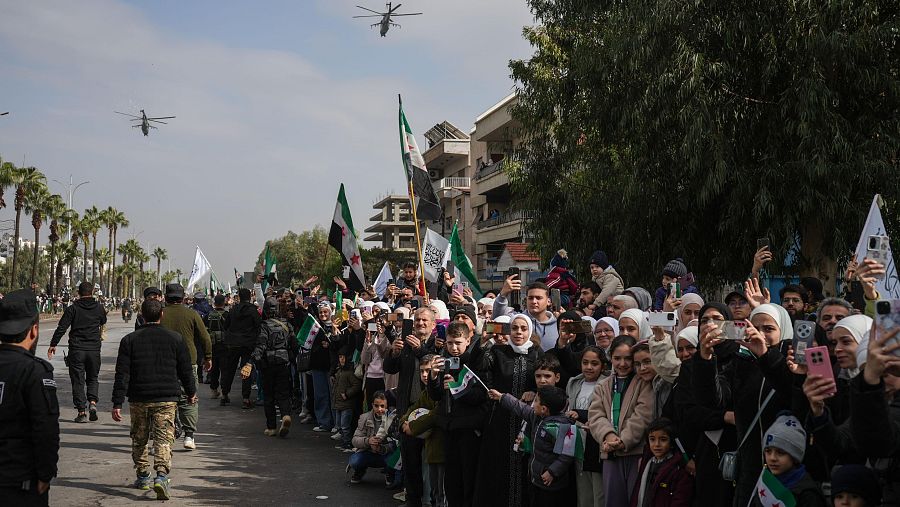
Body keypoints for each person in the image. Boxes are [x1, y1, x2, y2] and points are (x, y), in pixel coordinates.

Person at [111, 299, 196, 501]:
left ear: (141, 315)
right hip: (166, 398)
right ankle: (161, 476)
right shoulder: (175, 339)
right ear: (162, 315)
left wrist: (117, 402)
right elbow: (186, 370)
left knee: (139, 437)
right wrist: (191, 392)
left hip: (139, 398)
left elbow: (122, 374)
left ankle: (142, 476)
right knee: (163, 438)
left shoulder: (129, 340)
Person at [471, 313, 544, 507]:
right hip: (500, 420)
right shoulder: (498, 351)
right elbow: (479, 368)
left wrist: (534, 391)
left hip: (527, 420)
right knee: (498, 466)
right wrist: (483, 342)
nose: (519, 332)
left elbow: (547, 378)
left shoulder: (537, 354)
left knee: (524, 467)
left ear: (529, 331)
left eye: (523, 328)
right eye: (515, 328)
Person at [0, 289, 59, 506]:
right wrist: (46, 473)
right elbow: (45, 429)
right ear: (33, 331)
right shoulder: (35, 372)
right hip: (20, 483)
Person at [588, 335, 653, 506]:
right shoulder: (603, 386)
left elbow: (643, 415)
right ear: (610, 358)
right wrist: (608, 436)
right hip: (610, 452)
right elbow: (596, 415)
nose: (622, 364)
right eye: (617, 358)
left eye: (628, 359)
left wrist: (623, 441)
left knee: (636, 499)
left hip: (636, 452)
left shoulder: (643, 382)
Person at [429, 322, 486, 507]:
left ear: (468, 341)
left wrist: (457, 387)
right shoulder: (443, 361)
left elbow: (480, 396)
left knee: (468, 478)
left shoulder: (475, 362)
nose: (454, 347)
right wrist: (433, 378)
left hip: (469, 429)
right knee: (451, 479)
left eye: (458, 343)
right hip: (448, 427)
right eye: (450, 343)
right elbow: (435, 396)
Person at [487, 385, 574, 507]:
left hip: (551, 484)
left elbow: (566, 455)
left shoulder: (562, 427)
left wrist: (552, 472)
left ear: (544, 409)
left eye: (536, 401)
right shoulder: (537, 417)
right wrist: (502, 397)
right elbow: (520, 408)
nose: (533, 404)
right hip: (536, 480)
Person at [384, 306, 434, 507]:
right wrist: (394, 352)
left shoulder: (437, 343)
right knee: (410, 458)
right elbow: (389, 368)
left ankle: (432, 500)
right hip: (408, 408)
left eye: (424, 320)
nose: (420, 323)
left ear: (433, 323)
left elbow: (434, 360)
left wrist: (419, 350)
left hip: (430, 409)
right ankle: (413, 500)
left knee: (430, 460)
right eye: (417, 320)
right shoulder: (405, 342)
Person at [159, 283, 212, 450]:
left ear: (166, 297)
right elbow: (205, 338)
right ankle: (189, 435)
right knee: (189, 397)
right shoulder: (192, 314)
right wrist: (208, 357)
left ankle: (165, 436)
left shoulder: (160, 314)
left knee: (164, 399)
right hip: (189, 362)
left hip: (163, 362)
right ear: (183, 298)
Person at [48, 281, 107, 423]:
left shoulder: (72, 309)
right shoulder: (99, 308)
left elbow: (62, 328)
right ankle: (92, 403)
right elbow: (103, 320)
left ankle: (81, 412)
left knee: (78, 381)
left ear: (78, 293)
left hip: (77, 350)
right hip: (93, 349)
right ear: (92, 292)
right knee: (93, 378)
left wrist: (53, 344)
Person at [244, 297, 297, 438]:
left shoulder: (264, 326)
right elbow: (294, 344)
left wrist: (250, 362)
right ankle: (286, 415)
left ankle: (271, 427)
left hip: (267, 365)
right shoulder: (287, 324)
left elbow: (260, 346)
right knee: (284, 394)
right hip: (283, 363)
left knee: (269, 396)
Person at [751, 414, 826, 506]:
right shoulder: (765, 484)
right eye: (768, 451)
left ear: (794, 457)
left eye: (780, 452)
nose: (772, 458)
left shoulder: (807, 494)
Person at [565, 346, 608, 507]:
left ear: (602, 366)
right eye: (585, 363)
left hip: (596, 446)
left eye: (594, 363)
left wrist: (581, 415)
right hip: (577, 444)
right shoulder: (574, 382)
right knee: (583, 494)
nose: (589, 367)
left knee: (599, 493)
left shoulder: (607, 383)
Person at [630, 417, 693, 507]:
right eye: (652, 439)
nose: (657, 444)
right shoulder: (646, 465)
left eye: (663, 439)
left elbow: (681, 501)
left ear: (671, 442)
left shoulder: (679, 470)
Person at [220, 288, 262, 408]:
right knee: (246, 370)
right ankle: (246, 398)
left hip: (233, 343)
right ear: (249, 297)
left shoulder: (233, 310)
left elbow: (226, 325)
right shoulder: (253, 311)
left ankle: (224, 394)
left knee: (230, 370)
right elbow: (258, 325)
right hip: (248, 344)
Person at [494, 277, 559, 351]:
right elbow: (496, 321)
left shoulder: (558, 324)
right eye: (530, 298)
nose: (534, 301)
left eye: (538, 298)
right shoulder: (515, 320)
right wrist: (502, 295)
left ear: (548, 301)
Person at [348, 391, 390, 483]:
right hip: (368, 453)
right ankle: (359, 470)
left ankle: (390, 473)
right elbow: (354, 440)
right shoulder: (364, 418)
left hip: (385, 454)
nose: (379, 409)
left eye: (382, 406)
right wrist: (368, 441)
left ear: (387, 405)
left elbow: (396, 443)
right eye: (376, 406)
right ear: (372, 405)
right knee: (355, 461)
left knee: (395, 458)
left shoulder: (392, 419)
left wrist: (382, 448)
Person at [333, 346, 362, 450]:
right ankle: (344, 442)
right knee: (340, 425)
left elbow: (357, 385)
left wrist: (347, 394)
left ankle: (348, 443)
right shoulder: (339, 371)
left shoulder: (349, 373)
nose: (341, 359)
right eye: (340, 357)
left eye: (343, 357)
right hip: (339, 403)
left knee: (345, 426)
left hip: (346, 404)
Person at [205, 295, 229, 399]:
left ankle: (214, 390)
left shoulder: (208, 315)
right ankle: (225, 392)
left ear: (214, 303)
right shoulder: (228, 315)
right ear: (224, 303)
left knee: (213, 369)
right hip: (225, 347)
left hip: (212, 346)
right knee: (225, 370)